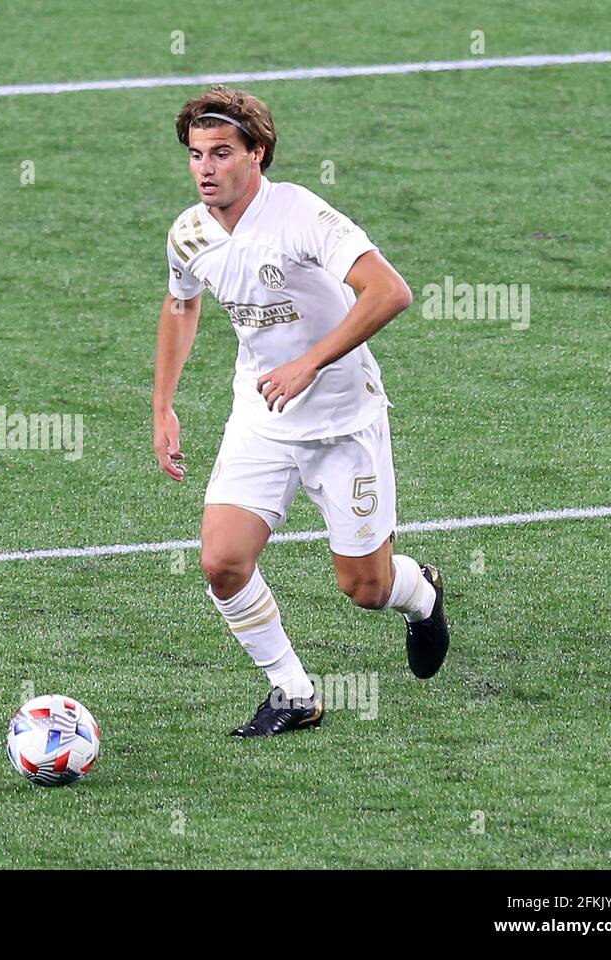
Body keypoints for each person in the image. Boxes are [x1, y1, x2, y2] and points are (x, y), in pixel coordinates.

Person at [152, 85, 450, 737]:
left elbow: (389, 291)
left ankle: (421, 592)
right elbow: (181, 304)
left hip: (343, 424)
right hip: (262, 418)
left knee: (365, 588)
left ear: (257, 154)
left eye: (221, 152)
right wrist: (163, 403)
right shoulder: (190, 232)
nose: (205, 167)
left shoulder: (300, 216)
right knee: (222, 562)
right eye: (196, 153)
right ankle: (293, 692)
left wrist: (310, 361)